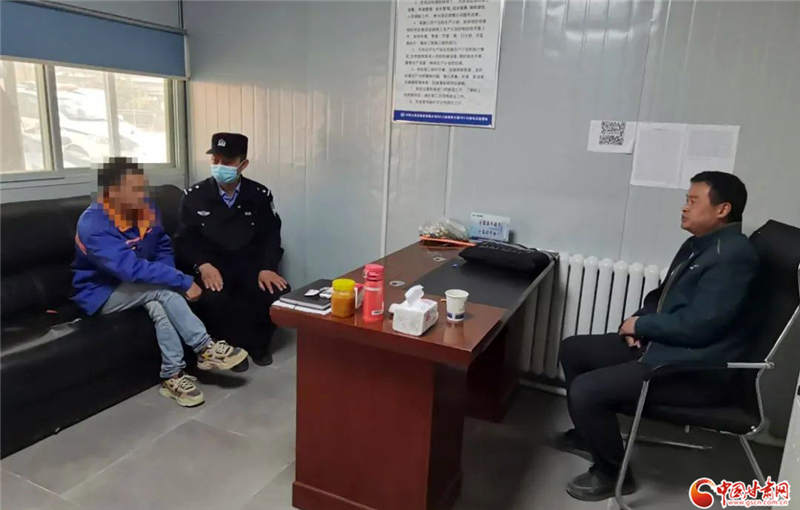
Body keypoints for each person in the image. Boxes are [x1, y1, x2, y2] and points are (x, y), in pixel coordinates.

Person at [554, 171, 760, 501]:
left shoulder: (733, 257)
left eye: (693, 201)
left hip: (693, 369)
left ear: (722, 209)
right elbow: (662, 296)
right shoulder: (699, 244)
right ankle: (589, 435)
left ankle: (613, 473)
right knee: (574, 349)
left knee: (587, 390)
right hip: (665, 347)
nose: (684, 207)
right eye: (686, 200)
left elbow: (700, 326)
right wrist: (640, 320)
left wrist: (643, 328)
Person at [72, 158, 248, 408]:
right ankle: (205, 347)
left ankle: (172, 376)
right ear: (112, 192)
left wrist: (169, 274)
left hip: (141, 285)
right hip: (101, 292)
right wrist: (180, 281)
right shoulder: (93, 224)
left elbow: (162, 245)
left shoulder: (145, 209)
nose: (143, 194)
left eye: (144, 187)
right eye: (135, 189)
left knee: (159, 304)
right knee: (164, 293)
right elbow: (130, 269)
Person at [175, 133, 288, 370]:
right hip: (214, 267)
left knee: (276, 291)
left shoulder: (259, 195)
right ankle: (230, 348)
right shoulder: (194, 196)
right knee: (214, 297)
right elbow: (185, 239)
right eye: (215, 160)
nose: (220, 166)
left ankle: (259, 345)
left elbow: (271, 235)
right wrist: (202, 264)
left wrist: (268, 267)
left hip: (251, 265)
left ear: (243, 164)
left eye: (227, 162)